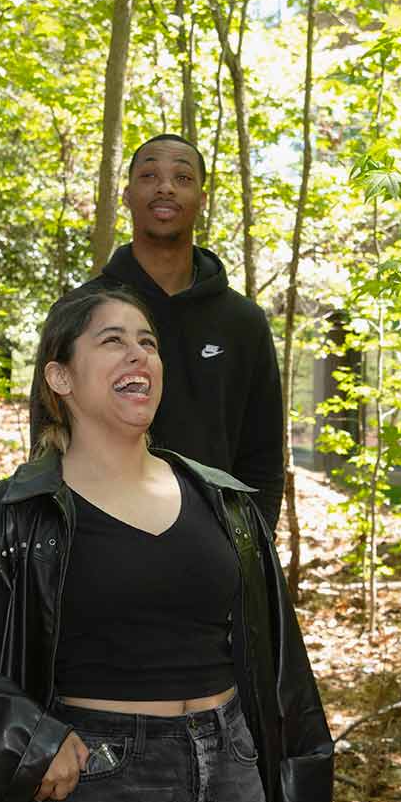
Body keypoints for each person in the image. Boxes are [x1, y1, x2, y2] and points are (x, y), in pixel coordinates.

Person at [0, 288, 333, 802]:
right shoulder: (17, 513)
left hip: (235, 771)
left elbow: (286, 680)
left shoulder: (225, 502)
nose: (138, 354)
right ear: (61, 378)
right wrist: (29, 739)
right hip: (101, 783)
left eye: (148, 343)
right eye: (112, 340)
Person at [65, 134, 285, 531]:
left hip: (215, 547)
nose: (165, 186)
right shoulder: (80, 313)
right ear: (127, 195)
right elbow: (49, 437)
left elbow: (263, 456)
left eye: (182, 178)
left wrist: (252, 548)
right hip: (99, 540)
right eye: (150, 175)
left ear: (203, 198)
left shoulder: (243, 321)